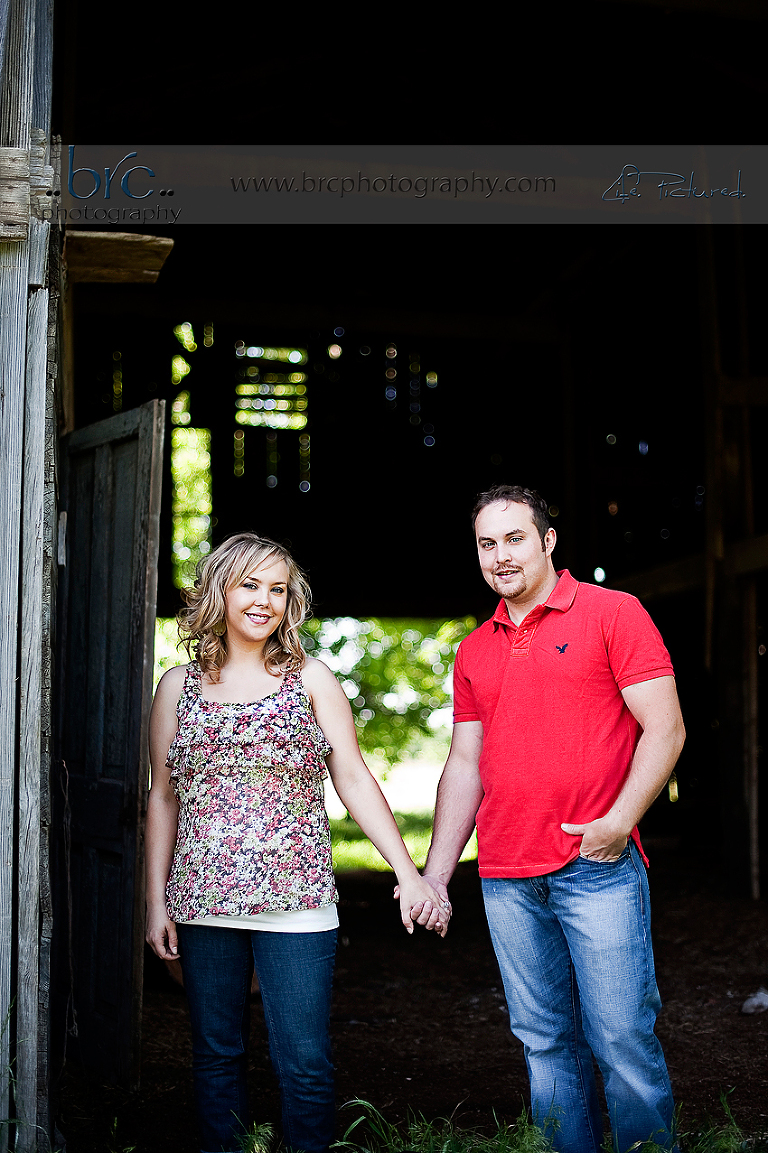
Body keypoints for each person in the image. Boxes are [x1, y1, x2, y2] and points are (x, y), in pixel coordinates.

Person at [145, 532, 449, 1153]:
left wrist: (408, 871)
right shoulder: (177, 686)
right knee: (216, 1055)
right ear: (219, 591)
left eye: (278, 589)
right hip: (202, 901)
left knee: (304, 1063)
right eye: (249, 585)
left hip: (298, 900)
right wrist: (155, 904)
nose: (264, 601)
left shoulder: (311, 680)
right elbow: (162, 797)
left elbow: (353, 778)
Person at [421, 485, 685, 1153]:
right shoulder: (473, 650)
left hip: (595, 865)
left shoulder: (612, 612)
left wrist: (618, 822)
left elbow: (666, 728)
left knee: (621, 1035)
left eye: (515, 538)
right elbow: (464, 764)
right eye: (487, 543)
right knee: (543, 1041)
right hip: (505, 874)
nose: (501, 555)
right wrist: (436, 874)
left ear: (548, 541)